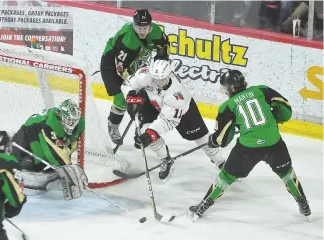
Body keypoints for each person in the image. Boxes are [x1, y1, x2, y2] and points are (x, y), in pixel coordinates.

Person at [188, 70, 311, 221]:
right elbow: (286, 109)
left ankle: (203, 206)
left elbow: (222, 139)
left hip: (247, 149)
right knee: (287, 174)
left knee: (225, 177)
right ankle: (304, 204)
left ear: (231, 89)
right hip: (274, 143)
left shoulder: (228, 106)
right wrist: (275, 118)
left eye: (226, 89)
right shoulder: (261, 90)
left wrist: (213, 140)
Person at [121, 60, 225, 180]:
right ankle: (166, 159)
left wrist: (151, 134)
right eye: (155, 79)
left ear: (169, 75)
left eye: (162, 79)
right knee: (144, 131)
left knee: (202, 138)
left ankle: (221, 163)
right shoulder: (144, 75)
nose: (157, 82)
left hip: (183, 111)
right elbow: (126, 85)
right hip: (153, 104)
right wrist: (130, 96)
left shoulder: (177, 95)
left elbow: (167, 121)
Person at [101, 9, 170, 144]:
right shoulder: (128, 40)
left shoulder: (155, 31)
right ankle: (113, 126)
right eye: (139, 28)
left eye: (145, 28)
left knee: (146, 94)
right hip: (113, 62)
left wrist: (160, 62)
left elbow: (164, 46)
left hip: (136, 61)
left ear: (150, 26)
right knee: (122, 96)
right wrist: (133, 89)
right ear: (134, 25)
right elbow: (121, 69)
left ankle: (140, 127)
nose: (142, 31)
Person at [11, 99, 88, 200]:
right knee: (27, 166)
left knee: (56, 162)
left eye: (74, 121)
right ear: (60, 115)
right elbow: (53, 153)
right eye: (68, 120)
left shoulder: (79, 123)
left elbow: (70, 146)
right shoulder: (49, 124)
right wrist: (69, 172)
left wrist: (69, 169)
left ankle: (51, 174)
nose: (71, 124)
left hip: (40, 141)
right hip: (25, 141)